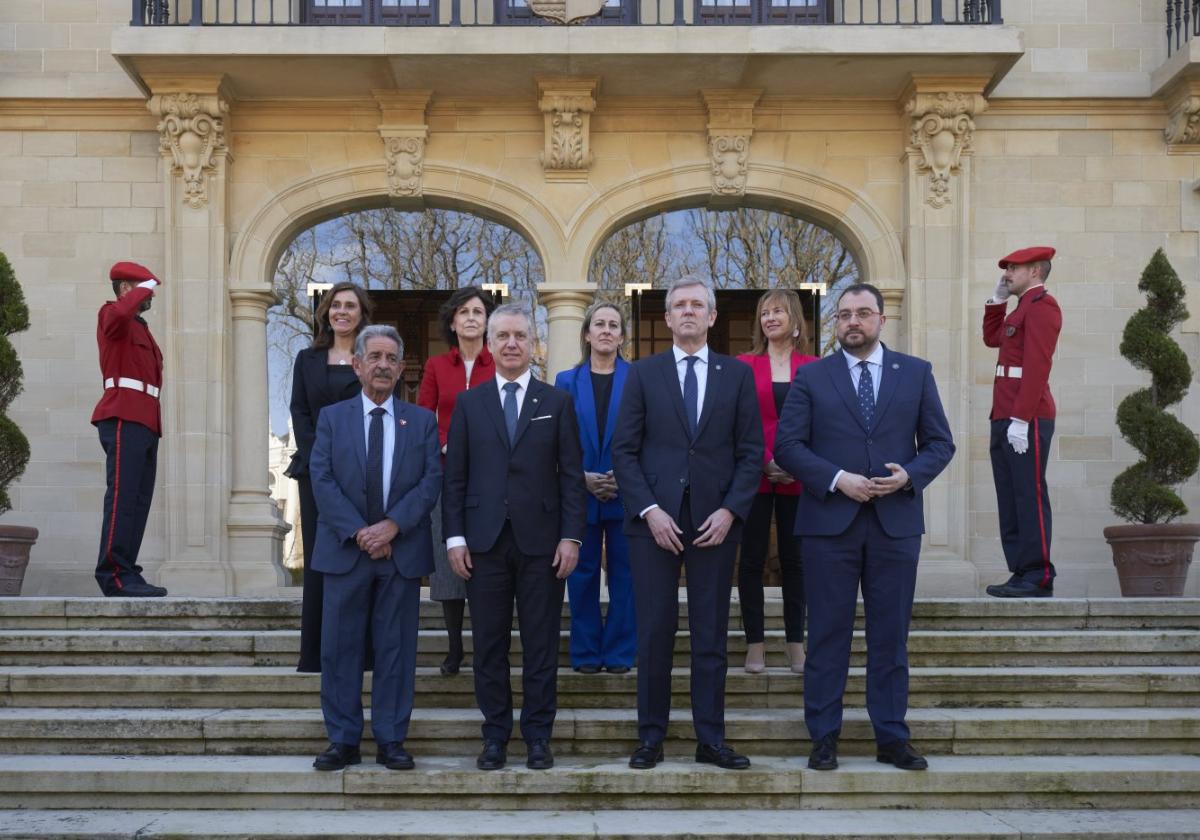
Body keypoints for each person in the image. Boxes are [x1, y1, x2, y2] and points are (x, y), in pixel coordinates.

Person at [774, 282, 955, 773]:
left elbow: (940, 443)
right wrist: (837, 480)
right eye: (844, 314)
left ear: (880, 319)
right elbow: (788, 446)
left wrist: (908, 477)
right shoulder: (813, 378)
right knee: (828, 635)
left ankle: (892, 737)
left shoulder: (915, 373)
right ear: (836, 324)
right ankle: (824, 737)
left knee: (890, 637)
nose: (853, 321)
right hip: (829, 527)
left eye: (863, 313)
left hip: (895, 527)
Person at [611, 276, 764, 772]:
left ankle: (710, 739)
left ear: (712, 317)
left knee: (711, 636)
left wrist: (730, 510)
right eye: (679, 305)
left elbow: (749, 453)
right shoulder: (642, 374)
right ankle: (650, 738)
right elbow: (624, 451)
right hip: (653, 524)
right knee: (654, 633)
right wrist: (649, 510)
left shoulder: (736, 375)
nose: (689, 312)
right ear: (668, 317)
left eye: (698, 304)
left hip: (715, 525)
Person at [442, 303, 587, 771]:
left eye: (520, 336)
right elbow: (455, 479)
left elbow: (571, 477)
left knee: (541, 645)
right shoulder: (469, 404)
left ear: (533, 345)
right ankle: (496, 735)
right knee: (488, 644)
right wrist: (454, 539)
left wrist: (572, 538)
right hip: (482, 544)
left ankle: (539, 736)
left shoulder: (557, 403)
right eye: (501, 335)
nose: (510, 344)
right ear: (489, 343)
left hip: (543, 544)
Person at [308, 325, 441, 772]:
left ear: (401, 368)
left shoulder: (421, 421)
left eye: (391, 358)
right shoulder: (332, 418)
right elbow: (321, 480)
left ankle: (390, 740)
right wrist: (362, 533)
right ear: (358, 364)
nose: (383, 365)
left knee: (395, 653)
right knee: (339, 652)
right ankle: (343, 740)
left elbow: (430, 483)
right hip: (346, 554)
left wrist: (391, 528)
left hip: (399, 556)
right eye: (375, 357)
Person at [287, 282, 375, 672]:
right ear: (326, 312)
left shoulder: (371, 358)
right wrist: (321, 461)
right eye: (335, 305)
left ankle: (363, 652)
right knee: (323, 559)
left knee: (362, 558)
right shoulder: (307, 359)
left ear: (361, 314)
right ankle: (316, 653)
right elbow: (300, 411)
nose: (342, 311)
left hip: (365, 472)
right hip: (317, 473)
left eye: (350, 306)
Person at [735, 289, 819, 674]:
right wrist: (765, 461)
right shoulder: (743, 366)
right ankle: (755, 643)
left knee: (796, 561)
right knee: (751, 560)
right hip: (754, 473)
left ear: (795, 318)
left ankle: (795, 643)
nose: (770, 318)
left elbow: (821, 425)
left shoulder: (815, 367)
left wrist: (797, 463)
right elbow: (736, 424)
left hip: (799, 476)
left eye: (778, 311)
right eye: (764, 313)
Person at [416, 286, 496, 675]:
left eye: (478, 312)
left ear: (487, 321)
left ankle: (484, 644)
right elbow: (421, 418)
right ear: (452, 321)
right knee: (448, 561)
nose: (470, 318)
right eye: (463, 311)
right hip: (446, 474)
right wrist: (445, 446)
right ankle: (453, 648)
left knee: (484, 558)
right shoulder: (436, 366)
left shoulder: (498, 363)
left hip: (489, 477)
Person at [554, 301, 635, 676]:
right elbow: (559, 440)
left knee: (626, 576)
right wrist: (581, 476)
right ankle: (585, 652)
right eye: (598, 324)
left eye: (613, 325)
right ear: (587, 334)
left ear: (621, 336)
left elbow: (647, 436)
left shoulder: (638, 379)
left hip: (626, 493)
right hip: (579, 491)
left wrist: (625, 474)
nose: (605, 330)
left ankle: (619, 651)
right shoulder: (565, 382)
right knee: (581, 576)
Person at [983, 247, 1062, 598]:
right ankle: (1021, 570)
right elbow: (992, 338)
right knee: (1011, 495)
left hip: (1024, 415)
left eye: (1013, 268)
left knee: (1028, 494)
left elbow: (1038, 366)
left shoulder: (1044, 306)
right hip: (1005, 412)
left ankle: (1039, 573)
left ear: (1034, 270)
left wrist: (1021, 417)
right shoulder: (1021, 308)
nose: (1007, 273)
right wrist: (996, 302)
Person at [92, 261, 167, 598]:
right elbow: (121, 314)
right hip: (123, 413)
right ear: (126, 289)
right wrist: (142, 287)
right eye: (143, 290)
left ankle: (127, 570)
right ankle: (113, 574)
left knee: (138, 501)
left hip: (146, 419)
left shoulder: (140, 328)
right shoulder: (112, 316)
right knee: (122, 498)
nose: (148, 298)